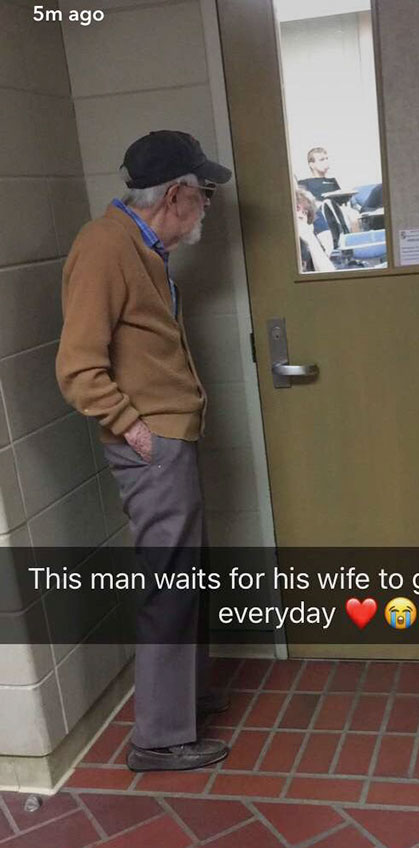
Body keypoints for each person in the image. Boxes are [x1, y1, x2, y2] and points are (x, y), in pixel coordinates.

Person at [55, 130, 234, 773]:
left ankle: (180, 706)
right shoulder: (105, 248)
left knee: (188, 577)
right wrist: (134, 428)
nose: (208, 208)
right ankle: (159, 739)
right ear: (177, 194)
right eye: (205, 194)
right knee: (170, 584)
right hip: (151, 443)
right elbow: (77, 367)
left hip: (169, 437)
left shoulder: (146, 246)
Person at [295, 188, 335, 272]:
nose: (301, 215)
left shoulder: (309, 237)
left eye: (305, 213)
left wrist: (310, 238)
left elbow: (328, 273)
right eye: (297, 209)